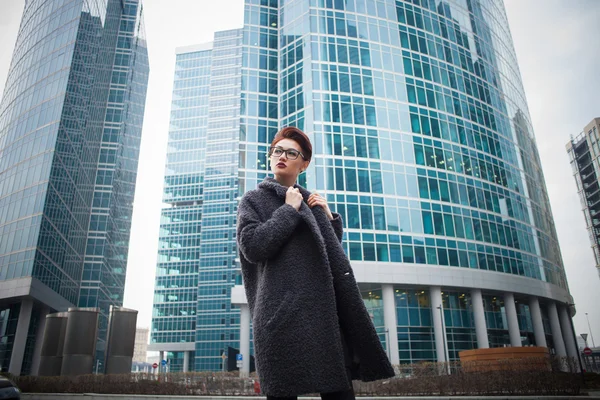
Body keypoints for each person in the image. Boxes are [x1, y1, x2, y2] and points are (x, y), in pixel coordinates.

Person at [237, 126, 395, 400]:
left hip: (322, 317)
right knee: (283, 393)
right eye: (277, 151)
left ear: (304, 163)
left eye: (291, 152)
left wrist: (326, 217)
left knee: (339, 393)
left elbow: (324, 256)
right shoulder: (254, 199)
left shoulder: (310, 201)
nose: (281, 156)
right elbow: (253, 247)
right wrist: (288, 210)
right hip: (279, 317)